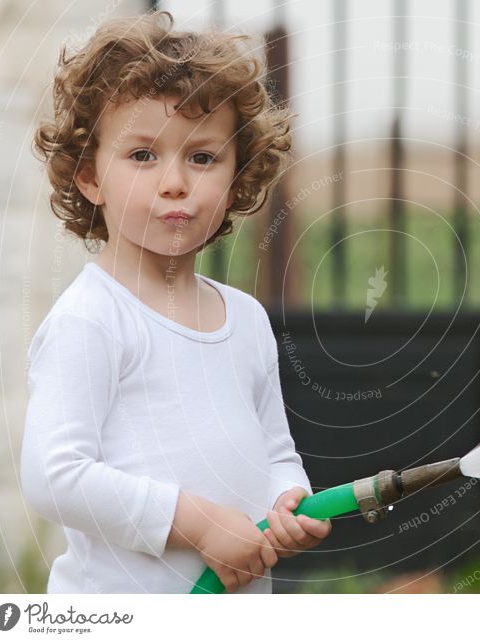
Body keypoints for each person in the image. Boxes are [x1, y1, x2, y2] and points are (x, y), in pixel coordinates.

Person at [21, 10, 331, 594]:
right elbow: (53, 475)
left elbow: (274, 450)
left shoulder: (246, 319)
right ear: (90, 178)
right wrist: (197, 522)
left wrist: (288, 498)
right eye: (142, 155)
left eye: (202, 157)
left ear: (237, 179)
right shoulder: (92, 319)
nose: (175, 182)